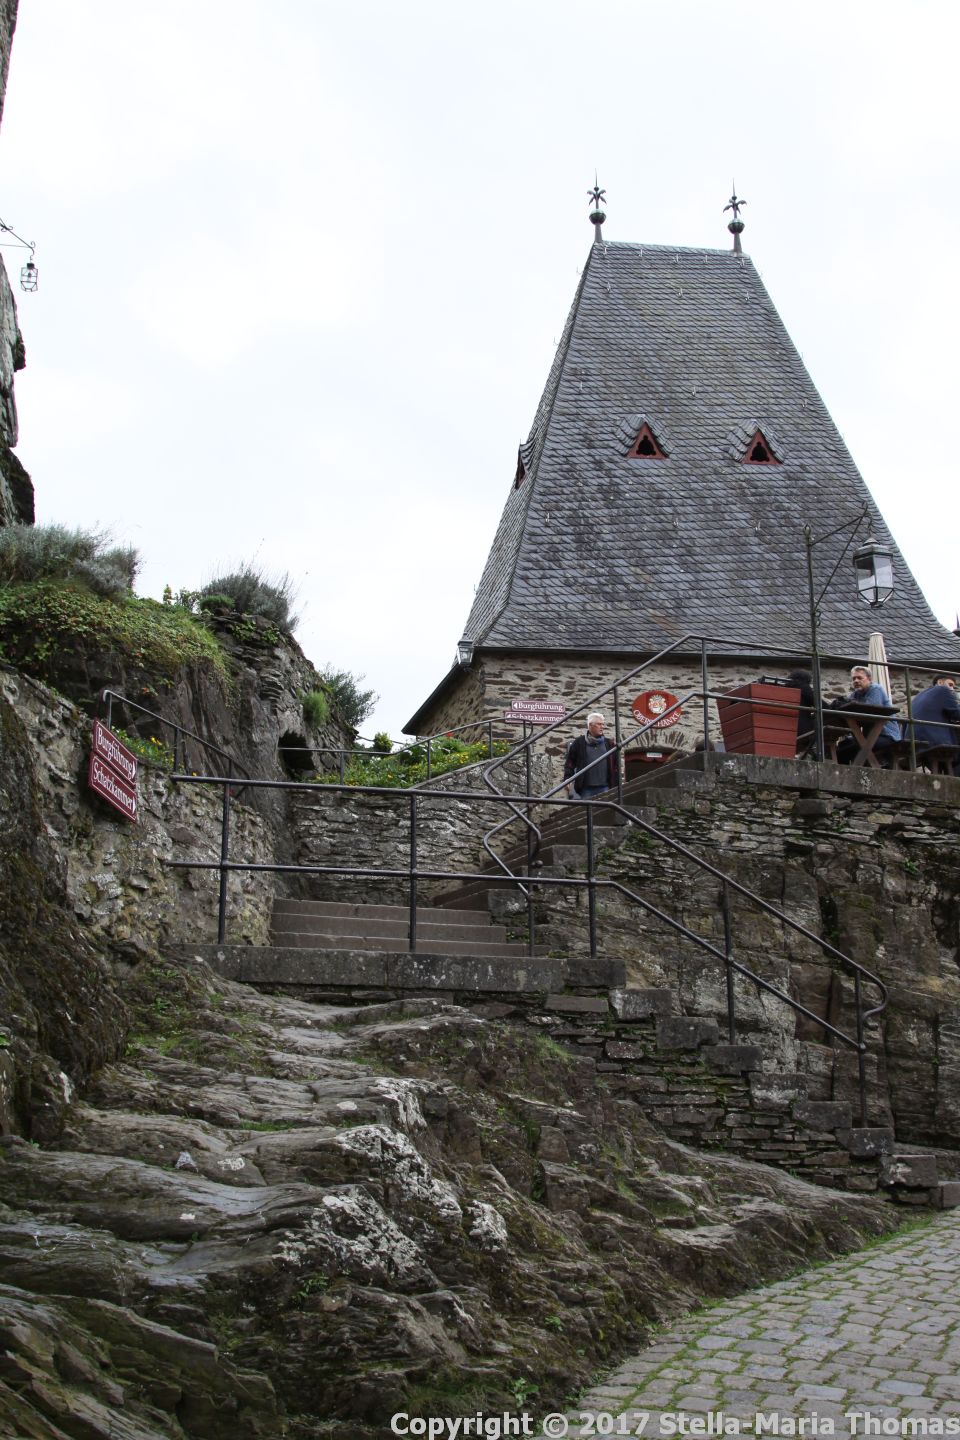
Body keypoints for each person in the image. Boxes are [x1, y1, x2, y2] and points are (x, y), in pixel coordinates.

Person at [835, 666, 900, 765]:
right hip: (869, 737)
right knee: (842, 746)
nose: (856, 681)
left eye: (859, 678)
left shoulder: (876, 689)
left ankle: (849, 776)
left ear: (869, 679)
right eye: (854, 678)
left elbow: (870, 710)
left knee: (846, 750)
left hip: (886, 736)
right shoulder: (855, 695)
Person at [909, 675, 960, 768]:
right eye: (950, 684)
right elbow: (957, 713)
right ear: (940, 682)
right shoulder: (943, 690)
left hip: (915, 743)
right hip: (934, 740)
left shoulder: (918, 696)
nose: (952, 689)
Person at [564, 712, 618, 799]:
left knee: (605, 811)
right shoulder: (579, 743)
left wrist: (616, 784)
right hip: (586, 789)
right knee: (588, 812)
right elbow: (570, 762)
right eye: (599, 724)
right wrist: (567, 778)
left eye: (603, 724)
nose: (602, 727)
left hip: (605, 787)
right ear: (590, 725)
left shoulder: (609, 744)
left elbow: (616, 765)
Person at [786, 669, 815, 752]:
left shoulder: (785, 688)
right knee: (824, 723)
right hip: (802, 732)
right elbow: (822, 706)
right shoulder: (803, 687)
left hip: (786, 731)